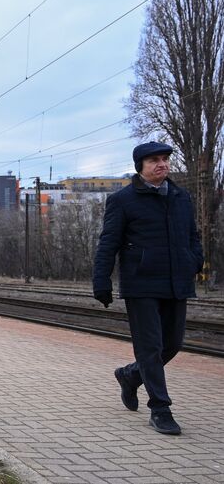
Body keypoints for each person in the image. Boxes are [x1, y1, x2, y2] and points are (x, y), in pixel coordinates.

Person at [93, 141, 203, 435]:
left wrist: (195, 260)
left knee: (172, 344)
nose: (162, 164)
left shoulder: (181, 197)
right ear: (140, 166)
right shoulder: (123, 200)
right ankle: (160, 409)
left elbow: (193, 236)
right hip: (141, 282)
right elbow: (109, 243)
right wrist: (101, 279)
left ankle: (130, 375)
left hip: (177, 280)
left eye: (165, 159)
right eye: (154, 160)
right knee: (150, 347)